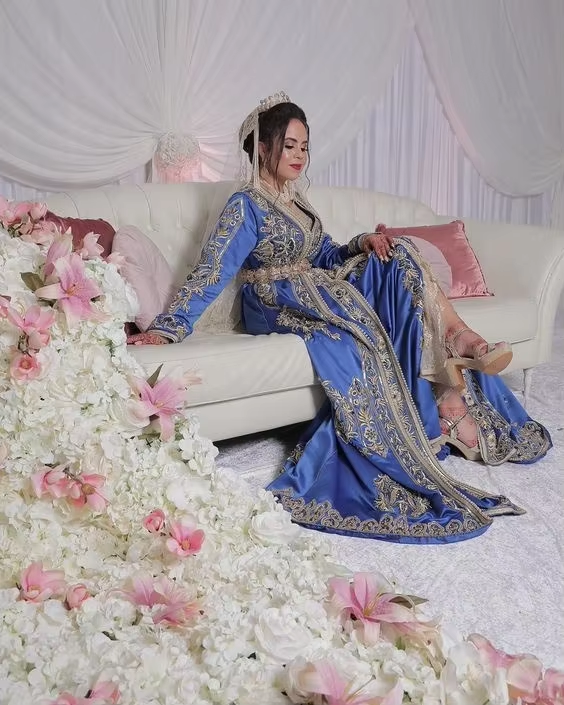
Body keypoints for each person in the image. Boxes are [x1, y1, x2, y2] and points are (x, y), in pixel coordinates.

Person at [128, 92, 551, 544]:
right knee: (359, 328)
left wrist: (360, 243)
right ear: (264, 148)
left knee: (398, 256)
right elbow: (213, 270)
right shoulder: (246, 204)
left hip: (313, 286)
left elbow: (323, 254)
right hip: (274, 299)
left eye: (304, 147)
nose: (299, 155)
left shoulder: (296, 200)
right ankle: (447, 384)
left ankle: (456, 343)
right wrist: (167, 329)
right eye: (289, 146)